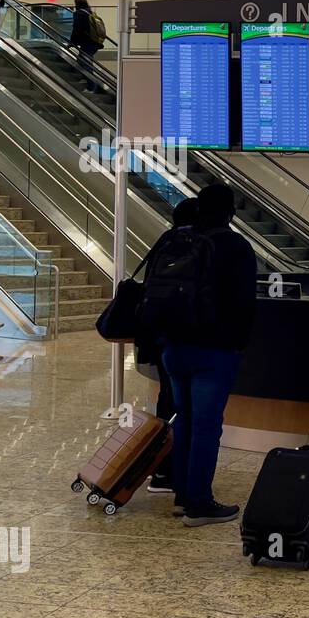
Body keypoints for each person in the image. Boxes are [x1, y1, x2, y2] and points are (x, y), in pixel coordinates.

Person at [160, 183, 256, 526]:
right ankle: (199, 503)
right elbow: (246, 303)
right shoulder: (235, 246)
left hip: (174, 348)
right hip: (214, 351)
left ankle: (182, 495)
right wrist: (238, 343)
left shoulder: (179, 239)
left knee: (183, 420)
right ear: (230, 211)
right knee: (205, 426)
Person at [141, 197, 199, 496]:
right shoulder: (194, 245)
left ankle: (161, 471)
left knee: (167, 402)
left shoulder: (164, 242)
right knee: (183, 408)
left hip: (160, 340)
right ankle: (174, 473)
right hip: (185, 341)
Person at [69, 0, 105, 93]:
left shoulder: (79, 13)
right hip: (95, 42)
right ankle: (84, 78)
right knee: (81, 60)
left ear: (77, 4)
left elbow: (76, 28)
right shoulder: (90, 12)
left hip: (87, 43)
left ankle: (91, 87)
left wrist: (72, 42)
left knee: (86, 63)